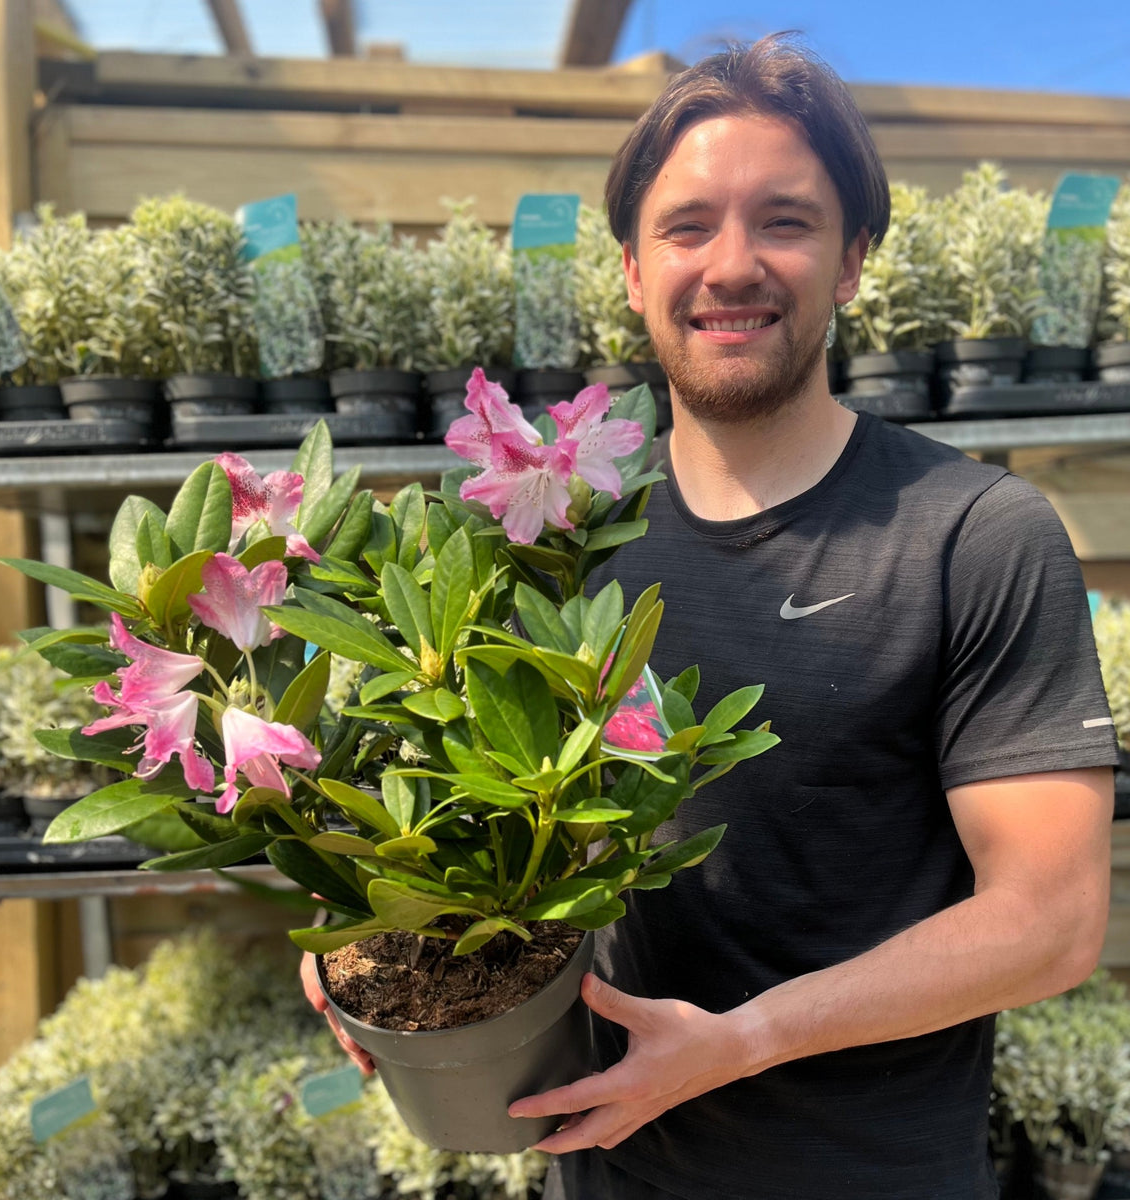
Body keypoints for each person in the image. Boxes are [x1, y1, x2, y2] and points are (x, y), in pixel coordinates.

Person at [303, 34, 1119, 1199]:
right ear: (633, 268)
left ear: (853, 260)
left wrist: (742, 1042)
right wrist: (375, 935)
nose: (731, 264)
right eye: (687, 227)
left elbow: (1050, 922)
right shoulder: (551, 531)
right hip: (604, 1166)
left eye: (784, 221)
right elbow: (479, 810)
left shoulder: (973, 533)